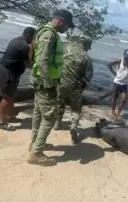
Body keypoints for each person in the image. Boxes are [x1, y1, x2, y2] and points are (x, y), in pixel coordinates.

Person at [27, 9, 75, 166]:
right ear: (62, 21)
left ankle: (35, 143)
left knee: (38, 113)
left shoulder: (47, 32)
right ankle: (36, 153)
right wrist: (48, 82)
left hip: (40, 81)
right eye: (68, 25)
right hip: (45, 83)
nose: (68, 29)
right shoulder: (49, 34)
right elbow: (42, 61)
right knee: (49, 117)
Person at [0, 26, 36, 131]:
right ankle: (1, 122)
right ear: (29, 35)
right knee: (7, 97)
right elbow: (30, 63)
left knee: (11, 96)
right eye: (34, 37)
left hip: (7, 71)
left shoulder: (16, 39)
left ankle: (8, 116)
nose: (34, 40)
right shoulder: (24, 46)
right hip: (5, 72)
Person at [53, 35, 94, 145]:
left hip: (62, 83)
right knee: (76, 109)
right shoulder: (87, 58)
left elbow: (58, 64)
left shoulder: (67, 52)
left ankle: (57, 124)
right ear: (86, 46)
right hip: (75, 87)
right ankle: (74, 127)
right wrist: (82, 86)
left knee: (59, 102)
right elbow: (88, 76)